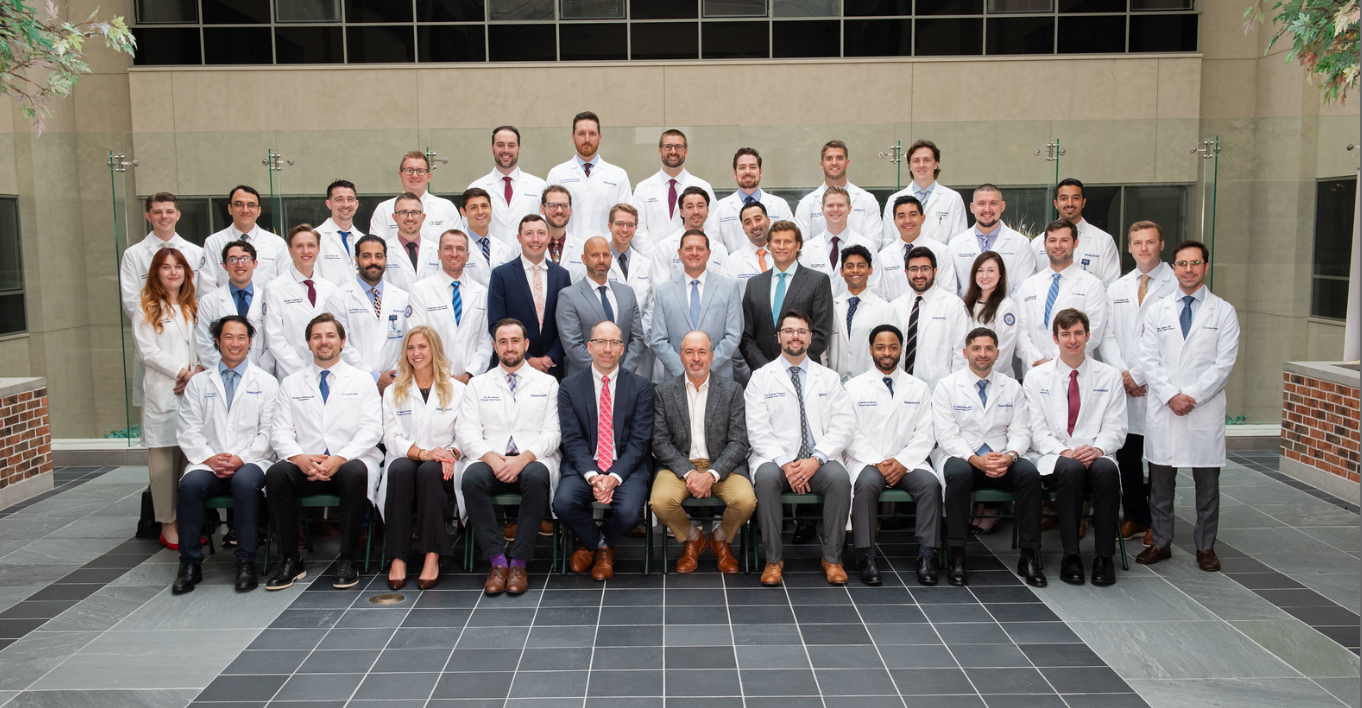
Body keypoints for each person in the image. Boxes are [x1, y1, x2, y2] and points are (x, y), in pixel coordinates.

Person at [1136, 240, 1240, 573]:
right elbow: (1148, 360)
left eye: (1195, 263)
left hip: (1201, 410)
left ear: (1206, 267)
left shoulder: (1223, 311)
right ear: (1174, 267)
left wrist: (1191, 396)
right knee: (1161, 483)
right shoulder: (1158, 310)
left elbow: (1224, 364)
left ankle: (1205, 546)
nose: (1189, 270)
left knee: (1207, 486)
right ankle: (1161, 543)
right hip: (1165, 408)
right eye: (1182, 264)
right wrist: (1171, 396)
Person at [265, 313, 383, 591]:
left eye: (330, 336)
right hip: (306, 463)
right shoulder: (291, 384)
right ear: (308, 343)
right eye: (317, 336)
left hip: (347, 460)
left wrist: (339, 458)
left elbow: (371, 430)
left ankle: (347, 558)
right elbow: (280, 431)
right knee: (276, 473)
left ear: (343, 342)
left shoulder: (362, 381)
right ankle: (291, 559)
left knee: (356, 472)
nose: (324, 341)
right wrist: (299, 458)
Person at [747, 310, 856, 587]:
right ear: (779, 336)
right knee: (768, 479)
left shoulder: (829, 378)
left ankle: (832, 558)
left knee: (840, 479)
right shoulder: (761, 378)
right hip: (776, 459)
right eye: (789, 331)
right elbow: (758, 430)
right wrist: (786, 463)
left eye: (801, 331)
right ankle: (773, 560)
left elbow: (844, 425)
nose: (795, 336)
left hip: (818, 459)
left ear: (810, 337)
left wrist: (816, 459)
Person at [172, 315, 278, 594]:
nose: (235, 343)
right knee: (189, 487)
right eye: (228, 337)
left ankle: (245, 562)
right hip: (207, 461)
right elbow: (187, 429)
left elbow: (268, 432)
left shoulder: (267, 383)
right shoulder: (198, 383)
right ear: (217, 341)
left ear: (250, 342)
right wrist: (209, 458)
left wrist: (241, 458)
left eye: (241, 337)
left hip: (251, 460)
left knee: (244, 485)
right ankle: (189, 564)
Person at [933, 327, 1046, 587]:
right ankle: (957, 555)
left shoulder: (1012, 387)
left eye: (988, 349)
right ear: (965, 352)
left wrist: (1010, 456)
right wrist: (975, 459)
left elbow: (1021, 430)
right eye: (976, 348)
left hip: (1000, 457)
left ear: (997, 353)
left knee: (1029, 474)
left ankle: (1029, 557)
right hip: (963, 457)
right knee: (957, 475)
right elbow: (947, 435)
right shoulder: (947, 386)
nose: (982, 354)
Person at [1023, 308, 1127, 587]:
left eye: (1078, 333)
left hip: (1095, 454)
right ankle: (1072, 556)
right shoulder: (1036, 377)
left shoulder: (1109, 376)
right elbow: (1035, 429)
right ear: (1055, 339)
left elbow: (1116, 427)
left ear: (1088, 336)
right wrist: (1064, 452)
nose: (1072, 340)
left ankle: (1104, 557)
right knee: (1069, 469)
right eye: (1065, 334)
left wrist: (1097, 450)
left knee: (1107, 472)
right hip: (1055, 457)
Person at [457, 318, 562, 595]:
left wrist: (522, 459)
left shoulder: (548, 383)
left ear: (526, 345)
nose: (509, 347)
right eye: (502, 341)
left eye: (515, 340)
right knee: (471, 478)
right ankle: (497, 561)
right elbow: (466, 432)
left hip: (531, 459)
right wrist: (492, 459)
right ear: (494, 346)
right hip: (490, 458)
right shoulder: (477, 385)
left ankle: (519, 563)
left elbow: (553, 433)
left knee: (538, 475)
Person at [554, 321, 654, 581]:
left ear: (622, 349)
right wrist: (592, 475)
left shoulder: (641, 387)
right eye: (601, 342)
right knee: (563, 503)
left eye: (613, 343)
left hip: (626, 466)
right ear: (589, 347)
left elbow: (640, 441)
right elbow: (572, 439)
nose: (607, 349)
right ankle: (602, 547)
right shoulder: (569, 386)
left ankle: (594, 545)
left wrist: (614, 477)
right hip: (585, 464)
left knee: (630, 512)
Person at [649, 331, 753, 574]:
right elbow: (659, 441)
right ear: (680, 356)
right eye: (689, 352)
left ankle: (721, 539)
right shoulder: (664, 392)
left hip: (722, 466)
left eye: (702, 352)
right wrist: (689, 473)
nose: (696, 358)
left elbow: (739, 441)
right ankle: (693, 539)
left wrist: (712, 474)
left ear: (712, 356)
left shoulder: (732, 390)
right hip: (679, 466)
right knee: (661, 502)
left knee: (746, 501)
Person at [1098, 221, 1176, 545]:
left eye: (1150, 242)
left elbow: (1170, 340)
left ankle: (1158, 523)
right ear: (1129, 248)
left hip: (1157, 385)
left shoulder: (1174, 286)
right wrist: (1122, 373)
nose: (1144, 248)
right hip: (1124, 384)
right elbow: (1107, 334)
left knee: (1159, 460)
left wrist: (1140, 374)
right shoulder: (1117, 288)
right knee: (1128, 456)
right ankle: (1134, 516)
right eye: (1138, 243)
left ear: (1161, 245)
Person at [845, 324, 940, 586]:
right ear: (871, 350)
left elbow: (926, 433)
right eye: (880, 347)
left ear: (901, 349)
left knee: (931, 485)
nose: (887, 353)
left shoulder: (918, 388)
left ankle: (927, 555)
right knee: (865, 486)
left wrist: (903, 461)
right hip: (867, 460)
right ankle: (866, 554)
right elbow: (849, 433)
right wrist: (878, 461)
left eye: (893, 347)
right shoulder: (854, 387)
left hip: (907, 460)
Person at [380, 326, 467, 591]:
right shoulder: (394, 390)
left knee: (429, 471)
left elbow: (466, 432)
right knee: (400, 470)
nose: (416, 353)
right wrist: (422, 452)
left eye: (422, 347)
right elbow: (391, 437)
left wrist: (451, 453)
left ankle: (432, 554)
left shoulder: (457, 389)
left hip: (443, 463)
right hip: (408, 456)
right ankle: (398, 556)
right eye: (410, 348)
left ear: (434, 350)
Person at [134, 247, 202, 550]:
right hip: (165, 391)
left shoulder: (192, 306)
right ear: (156, 273)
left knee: (189, 462)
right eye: (166, 267)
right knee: (163, 467)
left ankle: (186, 521)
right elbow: (147, 351)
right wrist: (182, 372)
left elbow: (201, 347)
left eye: (178, 267)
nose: (173, 272)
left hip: (192, 391)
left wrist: (196, 371)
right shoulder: (147, 307)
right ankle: (167, 524)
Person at [740, 220, 835, 371]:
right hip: (763, 375)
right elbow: (746, 336)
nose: (782, 246)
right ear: (769, 246)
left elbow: (821, 333)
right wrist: (766, 368)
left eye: (787, 241)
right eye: (777, 241)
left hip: (804, 371)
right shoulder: (754, 284)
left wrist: (790, 365)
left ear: (798, 246)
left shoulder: (818, 281)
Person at [1016, 219, 1109, 371]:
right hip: (1034, 369)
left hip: (1073, 368)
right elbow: (1020, 332)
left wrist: (1054, 360)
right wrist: (1037, 360)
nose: (1058, 246)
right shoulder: (1029, 285)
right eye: (1052, 240)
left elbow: (1093, 332)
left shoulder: (1092, 285)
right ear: (1045, 244)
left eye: (1064, 240)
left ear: (1076, 243)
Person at [650, 230, 744, 381]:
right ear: (679, 254)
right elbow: (658, 339)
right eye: (688, 249)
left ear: (708, 253)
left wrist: (706, 367)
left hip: (719, 377)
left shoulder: (728, 288)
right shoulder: (664, 291)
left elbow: (733, 335)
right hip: (677, 379)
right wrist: (684, 370)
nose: (694, 253)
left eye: (700, 249)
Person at [488, 215, 572, 379]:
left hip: (552, 369)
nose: (535, 239)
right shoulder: (501, 275)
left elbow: (567, 324)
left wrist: (551, 357)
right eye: (529, 234)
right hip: (513, 365)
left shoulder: (562, 276)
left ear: (548, 238)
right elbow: (495, 324)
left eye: (541, 233)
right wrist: (527, 359)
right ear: (519, 238)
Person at [324, 235, 409, 390]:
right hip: (352, 384)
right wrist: (374, 377)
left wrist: (395, 374)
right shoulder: (339, 298)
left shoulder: (402, 298)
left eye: (378, 256)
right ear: (356, 260)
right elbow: (339, 344)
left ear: (385, 259)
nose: (373, 262)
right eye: (366, 256)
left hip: (395, 381)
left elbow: (409, 341)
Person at [408, 229, 494, 383]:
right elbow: (417, 340)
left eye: (460, 249)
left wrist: (470, 374)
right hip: (434, 379)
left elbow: (486, 341)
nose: (454, 254)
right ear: (439, 253)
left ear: (467, 256)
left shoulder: (482, 293)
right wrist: (443, 376)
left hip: (472, 381)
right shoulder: (420, 290)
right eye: (448, 248)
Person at [556, 237, 645, 376]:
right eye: (595, 255)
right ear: (584, 259)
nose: (601, 260)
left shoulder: (627, 293)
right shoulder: (569, 296)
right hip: (585, 379)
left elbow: (637, 338)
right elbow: (573, 345)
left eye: (605, 255)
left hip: (624, 378)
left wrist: (623, 373)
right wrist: (604, 372)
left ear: (611, 258)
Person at [545, 111, 633, 246]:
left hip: (605, 253)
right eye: (581, 134)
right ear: (573, 138)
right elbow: (546, 217)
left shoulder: (618, 175)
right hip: (566, 251)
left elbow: (626, 219)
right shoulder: (557, 174)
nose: (587, 139)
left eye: (592, 134)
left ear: (600, 137)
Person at [262, 225, 338, 379]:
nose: (305, 251)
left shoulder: (330, 288)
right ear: (290, 250)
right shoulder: (274, 289)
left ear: (318, 249)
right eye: (299, 246)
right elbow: (275, 338)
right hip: (291, 374)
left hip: (327, 371)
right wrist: (301, 372)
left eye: (310, 245)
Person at [890, 247, 969, 392]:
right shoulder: (895, 307)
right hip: (901, 390)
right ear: (906, 272)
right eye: (914, 269)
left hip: (940, 391)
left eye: (925, 268)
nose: (919, 274)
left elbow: (962, 354)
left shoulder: (954, 305)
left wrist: (952, 392)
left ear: (935, 271)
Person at [121, 193, 204, 322]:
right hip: (151, 326)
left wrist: (186, 321)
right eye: (157, 212)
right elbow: (131, 301)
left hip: (191, 325)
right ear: (148, 216)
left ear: (177, 215)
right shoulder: (133, 254)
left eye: (169, 212)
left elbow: (203, 294)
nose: (164, 216)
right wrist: (159, 323)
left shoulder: (198, 253)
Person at [195, 240, 274, 375]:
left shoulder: (269, 299)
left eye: (245, 259)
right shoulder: (208, 302)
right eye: (233, 260)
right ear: (224, 265)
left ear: (255, 264)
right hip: (221, 375)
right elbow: (204, 345)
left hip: (260, 378)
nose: (239, 264)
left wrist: (256, 374)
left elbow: (273, 344)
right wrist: (229, 371)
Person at [631, 129, 718, 247]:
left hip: (693, 258)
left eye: (678, 147)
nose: (673, 151)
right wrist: (657, 257)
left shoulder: (703, 187)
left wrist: (695, 255)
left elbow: (712, 228)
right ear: (659, 151)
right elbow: (638, 230)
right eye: (668, 147)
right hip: (653, 260)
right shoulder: (642, 188)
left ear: (686, 152)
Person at [1029, 178, 1121, 286]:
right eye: (1064, 198)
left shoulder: (1104, 241)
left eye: (1075, 198)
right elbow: (1032, 285)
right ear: (1056, 203)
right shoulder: (1038, 243)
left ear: (1083, 202)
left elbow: (1111, 286)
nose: (1070, 203)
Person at [947, 185, 1035, 298]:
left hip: (1007, 312)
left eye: (993, 203)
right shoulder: (956, 244)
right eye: (981, 203)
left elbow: (1023, 288)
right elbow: (952, 289)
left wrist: (1004, 312)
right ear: (972, 207)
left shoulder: (1020, 243)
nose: (987, 209)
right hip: (966, 313)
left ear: (1002, 206)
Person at [467, 126, 547, 247]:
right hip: (490, 257)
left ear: (519, 149)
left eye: (511, 145)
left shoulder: (539, 186)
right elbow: (468, 230)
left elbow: (545, 228)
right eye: (500, 145)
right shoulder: (476, 187)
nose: (506, 150)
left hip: (527, 258)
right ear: (492, 148)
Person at [794, 140, 883, 247]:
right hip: (817, 263)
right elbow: (802, 244)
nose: (834, 162)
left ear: (848, 163)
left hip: (858, 262)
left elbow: (874, 242)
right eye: (829, 158)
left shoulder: (867, 200)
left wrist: (850, 260)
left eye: (840, 158)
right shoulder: (806, 203)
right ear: (822, 165)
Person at [879, 140, 968, 245]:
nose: (921, 165)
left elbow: (958, 242)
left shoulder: (953, 199)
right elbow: (888, 242)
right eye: (916, 161)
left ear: (936, 164)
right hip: (903, 260)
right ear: (910, 166)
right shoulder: (894, 200)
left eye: (927, 160)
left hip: (940, 260)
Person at [868, 195, 957, 301]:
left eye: (913, 215)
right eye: (901, 216)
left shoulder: (941, 251)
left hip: (933, 315)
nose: (907, 221)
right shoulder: (882, 256)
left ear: (922, 218)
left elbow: (948, 294)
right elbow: (880, 297)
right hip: (894, 315)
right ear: (894, 221)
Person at [201, 185, 287, 293]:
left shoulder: (277, 243)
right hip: (224, 307)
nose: (245, 210)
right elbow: (206, 286)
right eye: (239, 204)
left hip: (267, 307)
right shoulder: (213, 242)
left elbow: (285, 284)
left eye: (251, 205)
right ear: (229, 209)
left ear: (259, 210)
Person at [603, 203, 655, 377]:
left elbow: (652, 305)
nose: (625, 229)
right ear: (609, 226)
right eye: (619, 224)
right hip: (605, 346)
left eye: (630, 225)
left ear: (635, 228)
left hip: (638, 348)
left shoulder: (646, 264)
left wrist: (637, 339)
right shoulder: (598, 262)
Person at [829, 245, 895, 380]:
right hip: (835, 386)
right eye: (849, 266)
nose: (855, 270)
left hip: (871, 388)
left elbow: (894, 353)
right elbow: (823, 351)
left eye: (861, 266)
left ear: (870, 270)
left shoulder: (886, 310)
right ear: (841, 271)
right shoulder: (831, 307)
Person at [712, 147, 794, 254]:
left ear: (760, 172)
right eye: (742, 168)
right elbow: (716, 247)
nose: (747, 172)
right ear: (734, 174)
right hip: (734, 268)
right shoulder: (719, 207)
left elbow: (790, 240)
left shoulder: (779, 205)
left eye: (752, 167)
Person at [801, 186, 877, 298]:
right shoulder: (807, 249)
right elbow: (803, 290)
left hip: (855, 312)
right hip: (818, 314)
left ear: (850, 209)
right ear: (822, 210)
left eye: (840, 205)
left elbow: (874, 289)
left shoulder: (867, 246)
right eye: (830, 205)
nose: (835, 209)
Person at [368, 151, 460, 242]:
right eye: (409, 171)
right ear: (400, 176)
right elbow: (375, 249)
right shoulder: (383, 209)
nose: (415, 175)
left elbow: (458, 245)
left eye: (420, 171)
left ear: (428, 176)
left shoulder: (446, 208)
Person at [650, 187, 729, 281]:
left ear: (707, 210)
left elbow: (724, 288)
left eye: (700, 206)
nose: (696, 212)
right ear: (681, 212)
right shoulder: (664, 247)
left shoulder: (720, 250)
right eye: (690, 207)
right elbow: (661, 290)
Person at [962, 251, 1019, 379]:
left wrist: (979, 374)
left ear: (1000, 274)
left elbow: (1003, 352)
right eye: (980, 270)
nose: (985, 276)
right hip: (966, 377)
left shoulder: (1007, 307)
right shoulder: (965, 304)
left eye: (991, 270)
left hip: (995, 378)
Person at [379, 192, 443, 292]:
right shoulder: (383, 250)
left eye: (415, 212)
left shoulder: (437, 251)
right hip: (396, 307)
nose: (410, 218)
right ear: (394, 217)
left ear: (423, 217)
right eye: (403, 212)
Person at [457, 187, 519, 287]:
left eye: (484, 206)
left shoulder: (505, 249)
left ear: (491, 208)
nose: (480, 211)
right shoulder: (455, 248)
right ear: (463, 212)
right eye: (473, 207)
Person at [316, 179, 365, 287]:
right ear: (328, 204)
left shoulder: (363, 239)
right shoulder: (315, 238)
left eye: (350, 199)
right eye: (339, 200)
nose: (346, 205)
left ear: (356, 204)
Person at [720, 200, 773, 284]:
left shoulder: (785, 254)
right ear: (743, 228)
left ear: (768, 221)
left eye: (758, 219)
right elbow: (728, 294)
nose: (754, 226)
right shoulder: (733, 261)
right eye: (748, 222)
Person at [540, 184, 587, 274]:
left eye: (565, 206)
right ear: (542, 209)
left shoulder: (582, 248)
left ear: (571, 210)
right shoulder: (527, 246)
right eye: (553, 205)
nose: (559, 211)